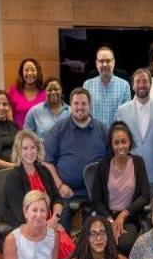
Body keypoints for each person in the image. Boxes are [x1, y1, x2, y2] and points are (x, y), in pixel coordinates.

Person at [2, 130, 75, 259]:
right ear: (19, 151)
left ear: (38, 148)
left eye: (33, 147)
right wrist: (47, 227)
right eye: (25, 148)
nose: (30, 152)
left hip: (50, 223)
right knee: (65, 250)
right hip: (28, 227)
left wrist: (55, 219)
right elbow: (21, 215)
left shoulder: (44, 171)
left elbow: (57, 199)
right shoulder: (14, 178)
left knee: (73, 252)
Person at [43, 87, 109, 231]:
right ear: (70, 106)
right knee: (61, 229)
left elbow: (112, 161)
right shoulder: (59, 129)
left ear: (90, 106)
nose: (80, 107)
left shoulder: (103, 129)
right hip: (65, 192)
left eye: (83, 104)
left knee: (99, 230)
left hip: (96, 193)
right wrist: (59, 186)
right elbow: (47, 162)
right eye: (76, 104)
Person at [91, 122, 151, 255]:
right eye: (116, 143)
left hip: (129, 218)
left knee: (123, 243)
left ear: (130, 142)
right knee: (94, 240)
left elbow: (145, 196)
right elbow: (96, 200)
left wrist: (124, 214)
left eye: (124, 142)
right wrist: (110, 220)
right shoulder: (103, 165)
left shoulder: (138, 162)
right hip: (105, 216)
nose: (120, 146)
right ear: (111, 145)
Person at [116, 68, 153, 183]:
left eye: (145, 81)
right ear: (132, 85)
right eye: (137, 81)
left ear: (151, 84)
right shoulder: (122, 111)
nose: (141, 85)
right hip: (129, 175)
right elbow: (118, 144)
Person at [83, 46, 131, 124]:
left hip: (116, 135)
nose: (105, 64)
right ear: (96, 63)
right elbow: (85, 114)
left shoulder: (124, 86)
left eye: (108, 61)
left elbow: (127, 116)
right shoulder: (87, 86)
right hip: (94, 134)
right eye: (101, 61)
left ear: (114, 62)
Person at [8, 58, 46, 128]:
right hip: (19, 135)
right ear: (21, 73)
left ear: (38, 72)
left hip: (40, 136)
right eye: (26, 70)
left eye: (33, 70)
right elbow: (9, 116)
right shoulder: (13, 90)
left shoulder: (45, 91)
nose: (29, 73)